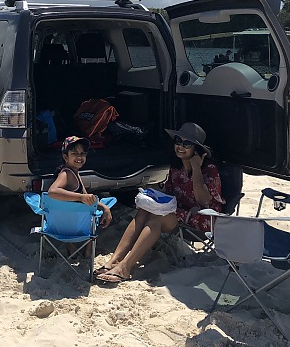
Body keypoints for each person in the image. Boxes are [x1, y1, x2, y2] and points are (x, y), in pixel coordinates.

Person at [95, 122, 224, 284]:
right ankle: (114, 260)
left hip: (202, 217)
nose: (180, 146)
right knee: (143, 211)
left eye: (187, 143)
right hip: (178, 211)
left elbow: (203, 201)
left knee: (156, 218)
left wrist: (196, 168)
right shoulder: (176, 167)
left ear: (197, 149)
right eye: (178, 141)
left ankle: (125, 268)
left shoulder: (209, 169)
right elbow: (169, 196)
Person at [48, 136, 113, 252]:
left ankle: (74, 250)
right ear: (65, 157)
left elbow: (88, 198)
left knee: (96, 205)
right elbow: (52, 191)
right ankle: (88, 252)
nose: (79, 157)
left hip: (62, 224)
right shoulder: (66, 174)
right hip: (73, 226)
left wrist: (104, 208)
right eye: (74, 153)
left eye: (82, 153)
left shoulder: (74, 173)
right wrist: (81, 197)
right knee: (93, 215)